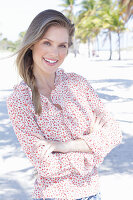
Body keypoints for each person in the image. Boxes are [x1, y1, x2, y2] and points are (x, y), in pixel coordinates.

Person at [7, 9, 122, 200]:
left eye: (62, 45)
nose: (55, 53)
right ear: (32, 44)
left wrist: (64, 146)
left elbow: (115, 134)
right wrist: (94, 144)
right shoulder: (20, 100)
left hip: (94, 194)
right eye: (47, 42)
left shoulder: (78, 83)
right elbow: (47, 166)